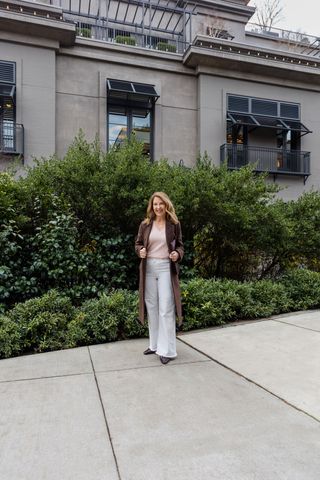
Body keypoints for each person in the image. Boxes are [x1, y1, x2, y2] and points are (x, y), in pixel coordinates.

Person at [135, 192, 184, 365]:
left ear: (166, 205)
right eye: (155, 204)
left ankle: (168, 350)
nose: (158, 207)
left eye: (161, 204)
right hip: (148, 268)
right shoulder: (146, 224)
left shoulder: (174, 225)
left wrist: (177, 254)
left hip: (165, 268)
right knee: (152, 306)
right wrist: (140, 250)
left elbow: (180, 246)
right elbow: (138, 243)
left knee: (166, 308)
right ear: (152, 206)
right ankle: (155, 345)